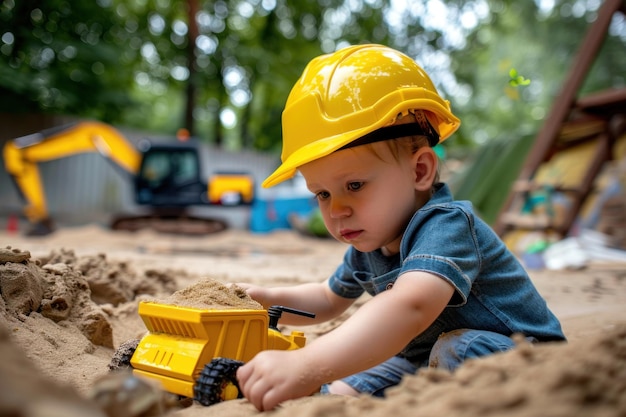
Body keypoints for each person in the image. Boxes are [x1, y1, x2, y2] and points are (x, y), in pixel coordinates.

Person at [235, 44, 565, 411]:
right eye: (323, 194)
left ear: (419, 171)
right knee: (339, 388)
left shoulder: (448, 225)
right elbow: (327, 300)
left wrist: (306, 364)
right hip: (425, 355)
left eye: (355, 186)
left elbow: (410, 305)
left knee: (458, 349)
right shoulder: (369, 243)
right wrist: (263, 300)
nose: (338, 209)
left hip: (523, 354)